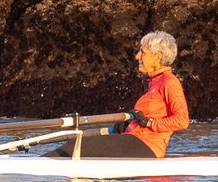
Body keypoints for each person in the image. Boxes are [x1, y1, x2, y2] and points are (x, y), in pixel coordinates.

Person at [53, 30, 192, 159]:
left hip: (148, 145)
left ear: (157, 57)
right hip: (135, 139)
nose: (137, 56)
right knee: (74, 144)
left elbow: (182, 120)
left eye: (143, 52)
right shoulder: (154, 81)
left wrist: (149, 122)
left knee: (76, 146)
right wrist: (129, 125)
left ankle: (42, 169)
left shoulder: (169, 82)